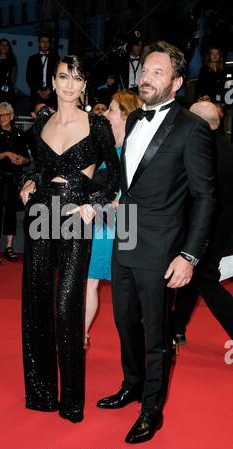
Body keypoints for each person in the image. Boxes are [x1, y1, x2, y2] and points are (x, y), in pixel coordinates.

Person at [97, 41, 215, 444]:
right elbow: (129, 182)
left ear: (177, 82)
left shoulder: (192, 129)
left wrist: (189, 255)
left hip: (163, 248)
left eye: (158, 72)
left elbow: (205, 197)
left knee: (157, 335)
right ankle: (131, 384)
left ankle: (152, 410)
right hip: (125, 235)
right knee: (123, 320)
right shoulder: (131, 122)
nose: (146, 76)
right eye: (145, 69)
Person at [19, 55, 120, 423]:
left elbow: (115, 173)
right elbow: (35, 165)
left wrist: (95, 200)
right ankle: (42, 393)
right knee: (37, 300)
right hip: (41, 211)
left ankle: (71, 401)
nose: (69, 84)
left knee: (67, 305)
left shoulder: (96, 124)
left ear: (84, 85)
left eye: (77, 79)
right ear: (53, 78)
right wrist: (27, 182)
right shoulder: (41, 122)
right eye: (64, 77)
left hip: (76, 214)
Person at [85, 91, 141, 348]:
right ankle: (80, 335)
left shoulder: (134, 149)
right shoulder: (106, 147)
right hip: (101, 219)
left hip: (120, 220)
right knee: (91, 280)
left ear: (126, 115)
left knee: (123, 288)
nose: (105, 114)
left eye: (111, 109)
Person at [174, 101, 233, 345]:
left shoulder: (202, 150)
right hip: (223, 231)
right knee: (193, 278)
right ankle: (175, 327)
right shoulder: (228, 148)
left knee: (202, 279)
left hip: (204, 229)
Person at [0, 102, 29, 265]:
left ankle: (9, 246)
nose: (2, 118)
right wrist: (6, 154)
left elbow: (27, 157)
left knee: (11, 212)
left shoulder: (19, 133)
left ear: (11, 116)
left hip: (13, 178)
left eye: (5, 115)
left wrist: (22, 159)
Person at [26, 34, 59, 107]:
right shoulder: (32, 59)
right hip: (36, 95)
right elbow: (29, 77)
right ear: (39, 43)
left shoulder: (56, 59)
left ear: (50, 44)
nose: (45, 44)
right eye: (43, 41)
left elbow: (58, 76)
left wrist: (49, 90)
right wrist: (39, 91)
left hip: (52, 95)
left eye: (47, 42)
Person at [0, 38, 17, 108]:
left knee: (9, 110)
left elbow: (13, 78)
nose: (4, 47)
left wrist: (8, 85)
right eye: (2, 45)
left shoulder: (12, 61)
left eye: (6, 45)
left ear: (9, 48)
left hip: (9, 90)